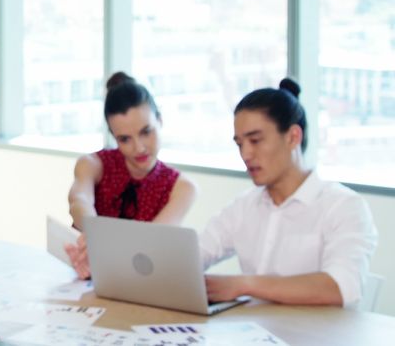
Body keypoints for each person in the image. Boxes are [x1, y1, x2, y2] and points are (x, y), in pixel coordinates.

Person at [201, 78, 378, 307]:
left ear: (293, 136)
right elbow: (196, 252)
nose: (245, 154)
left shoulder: (343, 206)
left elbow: (340, 287)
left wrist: (244, 284)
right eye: (239, 144)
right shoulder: (244, 206)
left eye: (255, 140)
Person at [65, 72, 197, 278]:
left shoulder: (182, 188)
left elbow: (151, 242)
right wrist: (95, 235)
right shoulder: (92, 164)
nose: (139, 148)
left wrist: (99, 243)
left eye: (146, 132)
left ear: (160, 121)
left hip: (140, 285)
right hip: (84, 280)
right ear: (113, 136)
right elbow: (78, 202)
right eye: (125, 139)